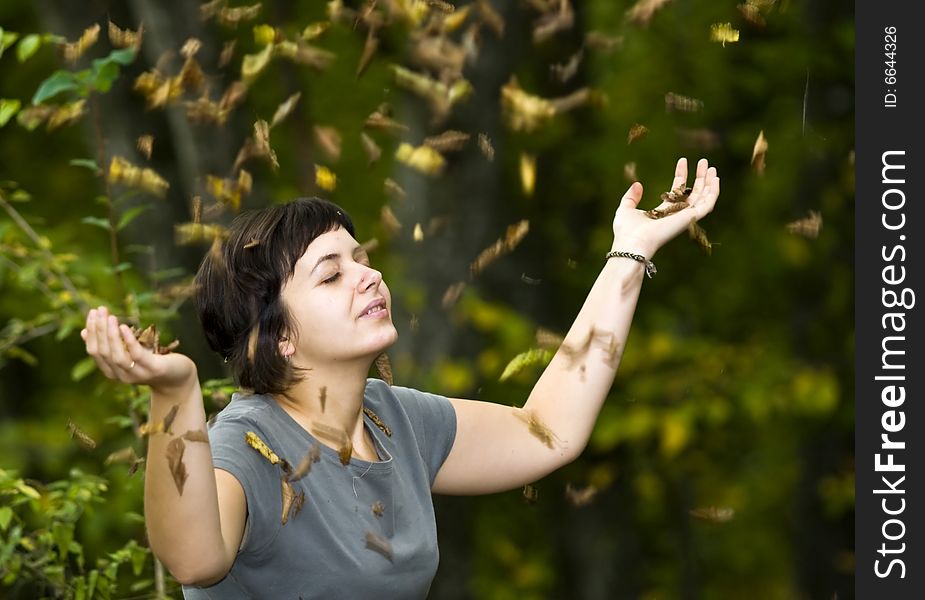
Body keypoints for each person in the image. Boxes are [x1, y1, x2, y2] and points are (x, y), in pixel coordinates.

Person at [81, 158, 719, 598]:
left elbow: (547, 429)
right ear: (279, 334)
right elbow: (193, 558)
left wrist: (630, 253)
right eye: (331, 274)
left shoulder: (395, 421)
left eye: (360, 258)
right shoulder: (246, 449)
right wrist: (174, 394)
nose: (367, 275)